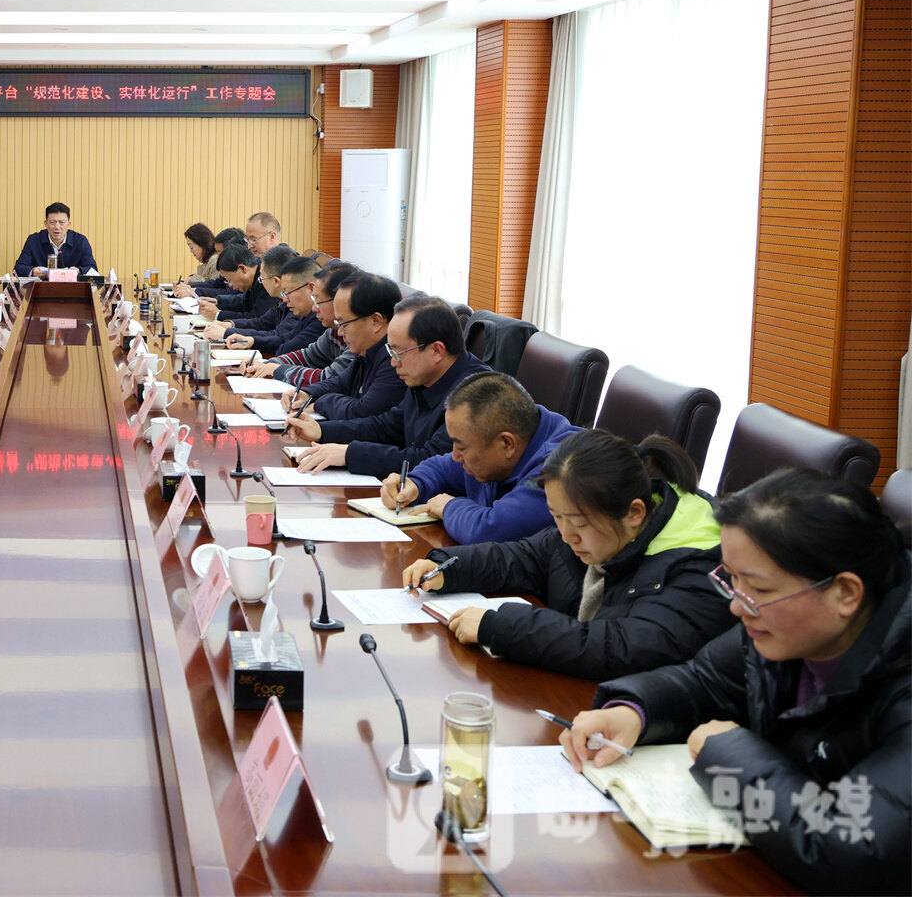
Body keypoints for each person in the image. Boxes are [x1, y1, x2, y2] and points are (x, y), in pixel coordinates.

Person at [561, 470, 909, 896]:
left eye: (756, 587)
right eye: (732, 580)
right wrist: (634, 712)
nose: (737, 608)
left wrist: (728, 756)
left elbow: (854, 850)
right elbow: (704, 680)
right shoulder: (780, 626)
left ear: (846, 593)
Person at [402, 430, 734, 680]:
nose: (565, 535)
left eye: (577, 523)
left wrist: (501, 627)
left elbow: (625, 647)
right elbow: (527, 556)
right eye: (556, 517)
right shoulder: (597, 523)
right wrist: (448, 567)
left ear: (635, 513)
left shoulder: (700, 566)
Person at [288, 296, 488, 477]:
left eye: (398, 353)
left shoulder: (478, 396)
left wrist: (349, 454)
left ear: (436, 350)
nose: (393, 362)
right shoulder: (424, 376)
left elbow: (429, 461)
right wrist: (322, 431)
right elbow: (387, 427)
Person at [382, 371, 579, 545]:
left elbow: (491, 530)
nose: (455, 456)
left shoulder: (561, 469)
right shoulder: (500, 437)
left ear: (507, 444)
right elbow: (442, 467)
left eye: (462, 447)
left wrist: (450, 507)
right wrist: (415, 484)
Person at [283, 270, 405, 421]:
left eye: (344, 324)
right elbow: (341, 383)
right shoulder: (367, 351)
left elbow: (363, 411)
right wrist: (307, 393)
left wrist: (321, 403)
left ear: (376, 321)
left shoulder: (395, 357)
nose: (340, 332)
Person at [248, 259, 358, 388]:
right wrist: (266, 365)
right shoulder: (333, 331)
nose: (314, 308)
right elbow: (306, 356)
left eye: (318, 300)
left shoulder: (358, 337)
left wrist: (276, 369)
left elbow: (329, 379)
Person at [15, 202, 97, 277]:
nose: (57, 227)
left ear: (68, 224)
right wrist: (32, 271)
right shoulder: (34, 240)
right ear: (46, 223)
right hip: (42, 287)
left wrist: (79, 271)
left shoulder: (80, 241)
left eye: (62, 222)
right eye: (52, 222)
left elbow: (92, 269)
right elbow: (19, 268)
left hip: (72, 287)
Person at [199, 244, 278, 320]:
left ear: (243, 269)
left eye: (229, 279)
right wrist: (218, 302)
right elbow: (244, 303)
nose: (230, 285)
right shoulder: (253, 279)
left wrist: (219, 315)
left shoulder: (266, 280)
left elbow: (257, 318)